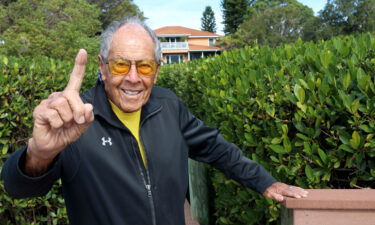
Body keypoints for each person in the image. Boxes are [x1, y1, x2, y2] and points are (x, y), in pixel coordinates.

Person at [1, 17, 308, 225]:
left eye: (145, 66)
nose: (133, 79)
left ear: (157, 70)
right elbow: (18, 189)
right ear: (102, 67)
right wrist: (39, 154)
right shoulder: (76, 118)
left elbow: (217, 148)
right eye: (122, 64)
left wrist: (265, 181)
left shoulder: (168, 106)